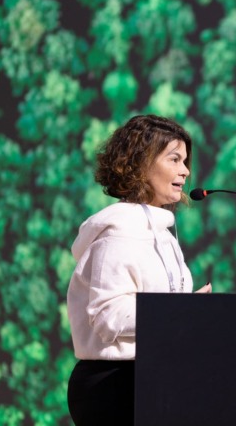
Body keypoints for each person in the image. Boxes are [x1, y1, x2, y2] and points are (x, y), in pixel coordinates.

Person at [66, 114, 211, 425]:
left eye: (185, 161)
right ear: (142, 163)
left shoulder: (161, 232)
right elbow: (108, 317)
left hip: (155, 375)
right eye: (174, 159)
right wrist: (182, 310)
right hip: (116, 387)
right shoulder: (118, 233)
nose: (185, 171)